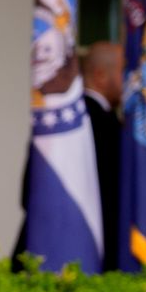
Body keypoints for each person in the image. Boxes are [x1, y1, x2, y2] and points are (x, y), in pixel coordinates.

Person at [13, 41, 121, 271]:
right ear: (100, 75)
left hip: (40, 254)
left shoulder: (58, 120)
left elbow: (27, 193)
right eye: (124, 71)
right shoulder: (109, 129)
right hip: (88, 260)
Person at [81, 41, 124, 272]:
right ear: (100, 75)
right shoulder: (104, 125)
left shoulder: (66, 119)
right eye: (122, 71)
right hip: (96, 253)